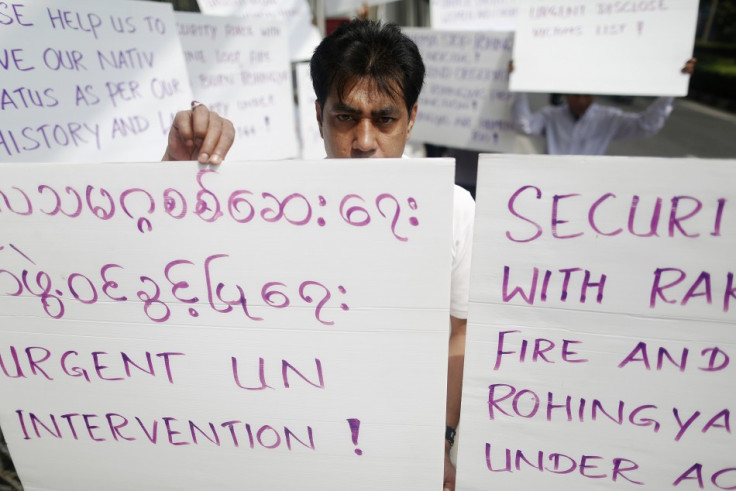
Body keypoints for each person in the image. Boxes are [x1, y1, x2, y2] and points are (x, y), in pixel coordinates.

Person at [163, 19, 473, 491]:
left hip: (401, 448)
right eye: (345, 117)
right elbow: (179, 273)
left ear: (412, 117)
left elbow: (459, 334)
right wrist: (179, 172)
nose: (365, 142)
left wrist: (441, 437)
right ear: (318, 115)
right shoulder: (270, 208)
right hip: (291, 447)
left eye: (385, 119)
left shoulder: (453, 209)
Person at [511, 58, 697, 155]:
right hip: (548, 187)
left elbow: (647, 125)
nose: (582, 101)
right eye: (576, 95)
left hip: (587, 192)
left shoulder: (608, 118)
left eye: (587, 95)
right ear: (566, 94)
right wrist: (518, 83)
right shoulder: (551, 116)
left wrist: (673, 87)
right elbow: (524, 126)